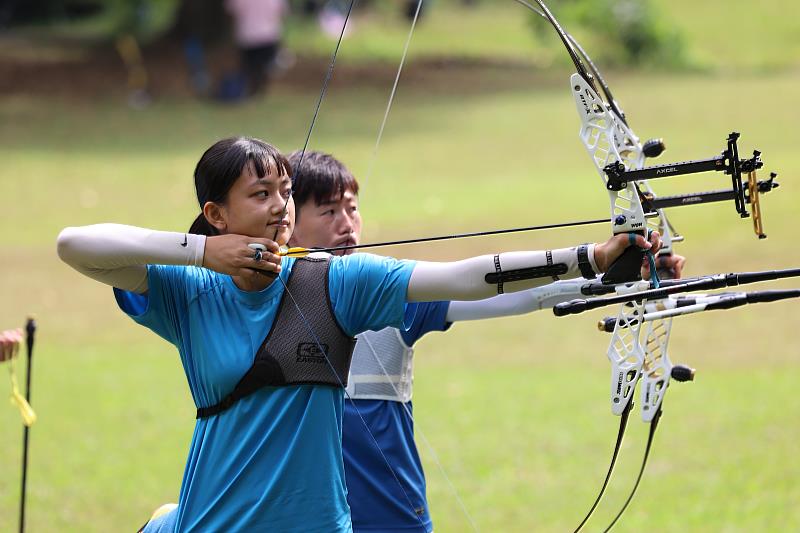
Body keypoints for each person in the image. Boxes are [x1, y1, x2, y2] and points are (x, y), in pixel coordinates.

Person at [56, 136, 661, 532]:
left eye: (286, 194)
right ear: (216, 213)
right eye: (260, 194)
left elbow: (467, 277)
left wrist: (591, 259)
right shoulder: (189, 290)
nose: (279, 208)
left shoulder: (337, 283)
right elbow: (75, 246)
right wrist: (203, 252)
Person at [287, 150, 684, 533]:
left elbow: (514, 295)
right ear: (288, 221)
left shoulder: (386, 295)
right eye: (328, 211)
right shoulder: (253, 303)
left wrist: (613, 276)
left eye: (352, 208)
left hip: (392, 517)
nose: (347, 223)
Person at [223, 0, 290, 99]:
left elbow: (231, 11)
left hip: (247, 35)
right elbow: (282, 12)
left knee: (250, 66)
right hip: (268, 35)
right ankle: (260, 88)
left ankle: (253, 89)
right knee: (265, 64)